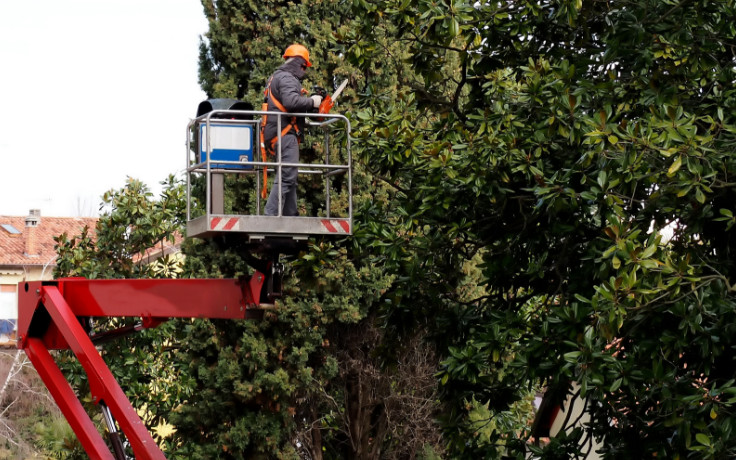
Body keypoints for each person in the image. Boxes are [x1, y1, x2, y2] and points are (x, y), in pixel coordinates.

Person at [263, 43, 322, 216]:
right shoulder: (288, 78)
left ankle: (290, 214)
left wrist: (312, 107)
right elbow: (290, 102)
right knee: (287, 174)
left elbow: (290, 104)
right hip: (284, 132)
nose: (304, 71)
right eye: (304, 67)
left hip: (277, 132)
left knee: (290, 175)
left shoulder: (277, 77)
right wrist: (312, 102)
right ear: (298, 63)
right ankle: (270, 215)